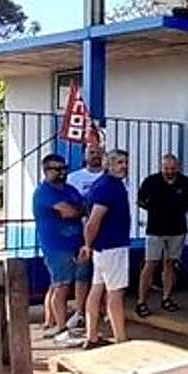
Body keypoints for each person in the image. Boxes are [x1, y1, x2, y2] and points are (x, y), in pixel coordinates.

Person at [78, 149, 132, 348]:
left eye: (125, 162)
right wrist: (87, 244)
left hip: (104, 248)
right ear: (108, 164)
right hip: (112, 247)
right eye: (119, 162)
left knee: (97, 289)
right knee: (115, 293)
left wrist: (90, 245)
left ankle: (92, 336)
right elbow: (93, 221)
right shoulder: (109, 187)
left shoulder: (105, 184)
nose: (123, 166)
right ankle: (120, 339)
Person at [32, 154, 85, 346]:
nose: (62, 172)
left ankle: (54, 323)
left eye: (64, 168)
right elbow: (70, 211)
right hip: (56, 245)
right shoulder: (44, 192)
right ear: (46, 170)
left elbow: (82, 206)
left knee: (61, 284)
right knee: (61, 285)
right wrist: (78, 210)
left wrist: (78, 209)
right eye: (57, 169)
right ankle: (61, 328)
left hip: (75, 242)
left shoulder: (70, 189)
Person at [135, 154, 188, 317]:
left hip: (177, 229)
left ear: (178, 167)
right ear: (161, 167)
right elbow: (141, 201)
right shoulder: (151, 181)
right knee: (150, 264)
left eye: (172, 168)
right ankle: (141, 301)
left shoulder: (186, 182)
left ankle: (167, 298)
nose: (169, 172)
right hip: (155, 229)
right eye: (166, 168)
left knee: (171, 264)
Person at [63, 142, 104, 332]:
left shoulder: (109, 178)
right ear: (85, 155)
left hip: (106, 235)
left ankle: (102, 310)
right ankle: (80, 311)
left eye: (98, 152)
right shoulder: (73, 178)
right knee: (82, 274)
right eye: (91, 152)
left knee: (105, 276)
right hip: (80, 234)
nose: (95, 155)